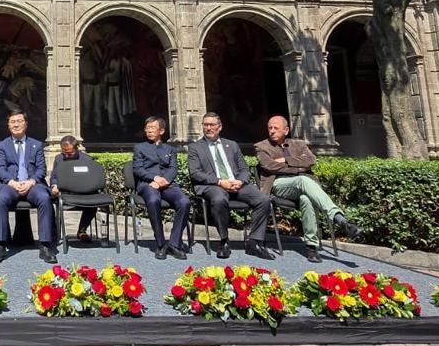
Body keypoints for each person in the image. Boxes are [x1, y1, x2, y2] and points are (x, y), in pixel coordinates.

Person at [254, 115, 360, 263]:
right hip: (278, 184)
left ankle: (312, 246)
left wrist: (285, 160)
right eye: (270, 128)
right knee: (303, 179)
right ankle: (337, 217)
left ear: (286, 130)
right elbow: (269, 166)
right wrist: (299, 168)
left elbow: (311, 160)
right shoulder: (261, 147)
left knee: (307, 199)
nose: (272, 131)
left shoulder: (299, 144)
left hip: (303, 186)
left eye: (276, 128)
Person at [187, 111, 274, 260]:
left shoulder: (231, 145)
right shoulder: (195, 147)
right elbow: (195, 173)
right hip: (213, 186)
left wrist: (240, 181)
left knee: (263, 200)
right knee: (219, 198)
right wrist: (220, 181)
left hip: (236, 184)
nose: (208, 128)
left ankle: (254, 241)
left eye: (212, 125)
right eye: (205, 125)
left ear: (220, 127)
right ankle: (224, 241)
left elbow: (244, 169)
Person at [0, 111, 55, 264]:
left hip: (33, 184)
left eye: (19, 121)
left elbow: (41, 169)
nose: (16, 124)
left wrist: (31, 182)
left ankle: (45, 245)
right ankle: (0, 244)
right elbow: (0, 168)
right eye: (13, 122)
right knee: (1, 198)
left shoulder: (36, 144)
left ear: (26, 124)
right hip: (11, 184)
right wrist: (11, 182)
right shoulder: (2, 145)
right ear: (8, 125)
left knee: (44, 197)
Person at [132, 117, 191, 260]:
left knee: (184, 202)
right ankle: (160, 244)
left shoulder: (170, 149)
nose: (149, 131)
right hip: (148, 184)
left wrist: (164, 181)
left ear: (162, 131)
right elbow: (138, 169)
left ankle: (174, 243)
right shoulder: (139, 148)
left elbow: (173, 168)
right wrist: (154, 178)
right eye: (147, 128)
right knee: (153, 200)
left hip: (167, 184)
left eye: (152, 128)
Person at [49, 135, 98, 243]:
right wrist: (54, 185)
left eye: (70, 153)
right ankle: (53, 233)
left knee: (93, 200)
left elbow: (91, 179)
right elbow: (54, 177)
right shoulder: (59, 158)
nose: (67, 155)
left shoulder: (87, 160)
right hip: (64, 192)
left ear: (77, 148)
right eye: (64, 152)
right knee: (46, 197)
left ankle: (82, 231)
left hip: (83, 193)